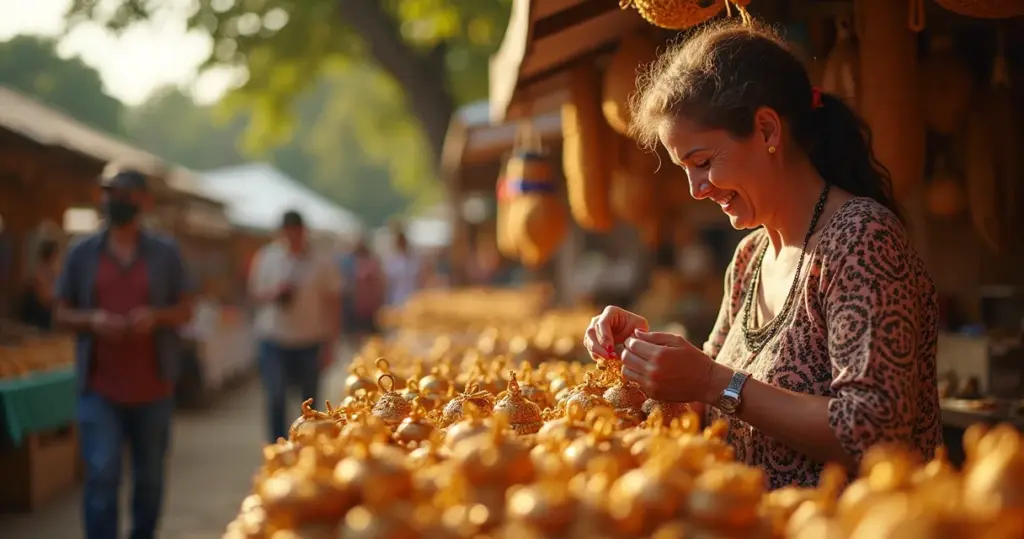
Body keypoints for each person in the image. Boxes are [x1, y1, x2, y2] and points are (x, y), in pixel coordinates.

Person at [583, 20, 940, 489]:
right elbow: (710, 404)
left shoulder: (861, 239)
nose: (696, 189)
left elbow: (872, 433)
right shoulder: (751, 257)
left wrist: (711, 380)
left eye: (704, 162)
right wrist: (648, 357)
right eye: (686, 170)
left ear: (767, 129)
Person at [54, 168, 194, 539]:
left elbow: (186, 309)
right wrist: (93, 319)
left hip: (153, 387)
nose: (114, 200)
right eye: (108, 192)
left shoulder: (164, 252)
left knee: (149, 479)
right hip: (100, 386)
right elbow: (61, 312)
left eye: (125, 194)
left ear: (144, 201)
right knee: (102, 474)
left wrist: (155, 316)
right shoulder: (82, 253)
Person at [249, 210, 341, 443]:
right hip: (275, 338)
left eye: (295, 232)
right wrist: (275, 294)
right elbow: (255, 293)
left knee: (309, 399)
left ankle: (308, 444)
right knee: (276, 396)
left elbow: (333, 302)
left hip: (310, 338)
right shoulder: (267, 257)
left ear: (303, 232)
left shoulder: (321, 261)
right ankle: (278, 445)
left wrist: (330, 344)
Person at [339, 236, 385, 340]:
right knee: (358, 335)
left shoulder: (371, 262)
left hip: (369, 305)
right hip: (358, 304)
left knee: (370, 335)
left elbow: (378, 283)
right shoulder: (350, 262)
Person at [18, 238, 60, 330]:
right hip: (39, 315)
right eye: (57, 256)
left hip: (49, 311)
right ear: (52, 256)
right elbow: (45, 298)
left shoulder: (54, 272)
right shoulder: (40, 272)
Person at [383, 226, 423, 306]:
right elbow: (388, 283)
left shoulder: (413, 259)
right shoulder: (392, 260)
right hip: (396, 300)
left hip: (412, 299)